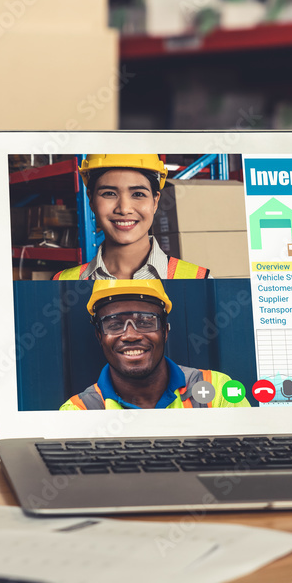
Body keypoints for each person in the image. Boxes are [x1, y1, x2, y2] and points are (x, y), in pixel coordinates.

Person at [61, 279, 245, 410]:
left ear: (165, 331)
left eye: (145, 321)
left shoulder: (218, 390)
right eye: (115, 324)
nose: (131, 335)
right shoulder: (79, 411)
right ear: (99, 336)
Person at [52, 154, 211, 280]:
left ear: (155, 202)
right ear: (91, 200)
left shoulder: (199, 280)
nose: (124, 209)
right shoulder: (65, 283)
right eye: (109, 193)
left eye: (138, 194)